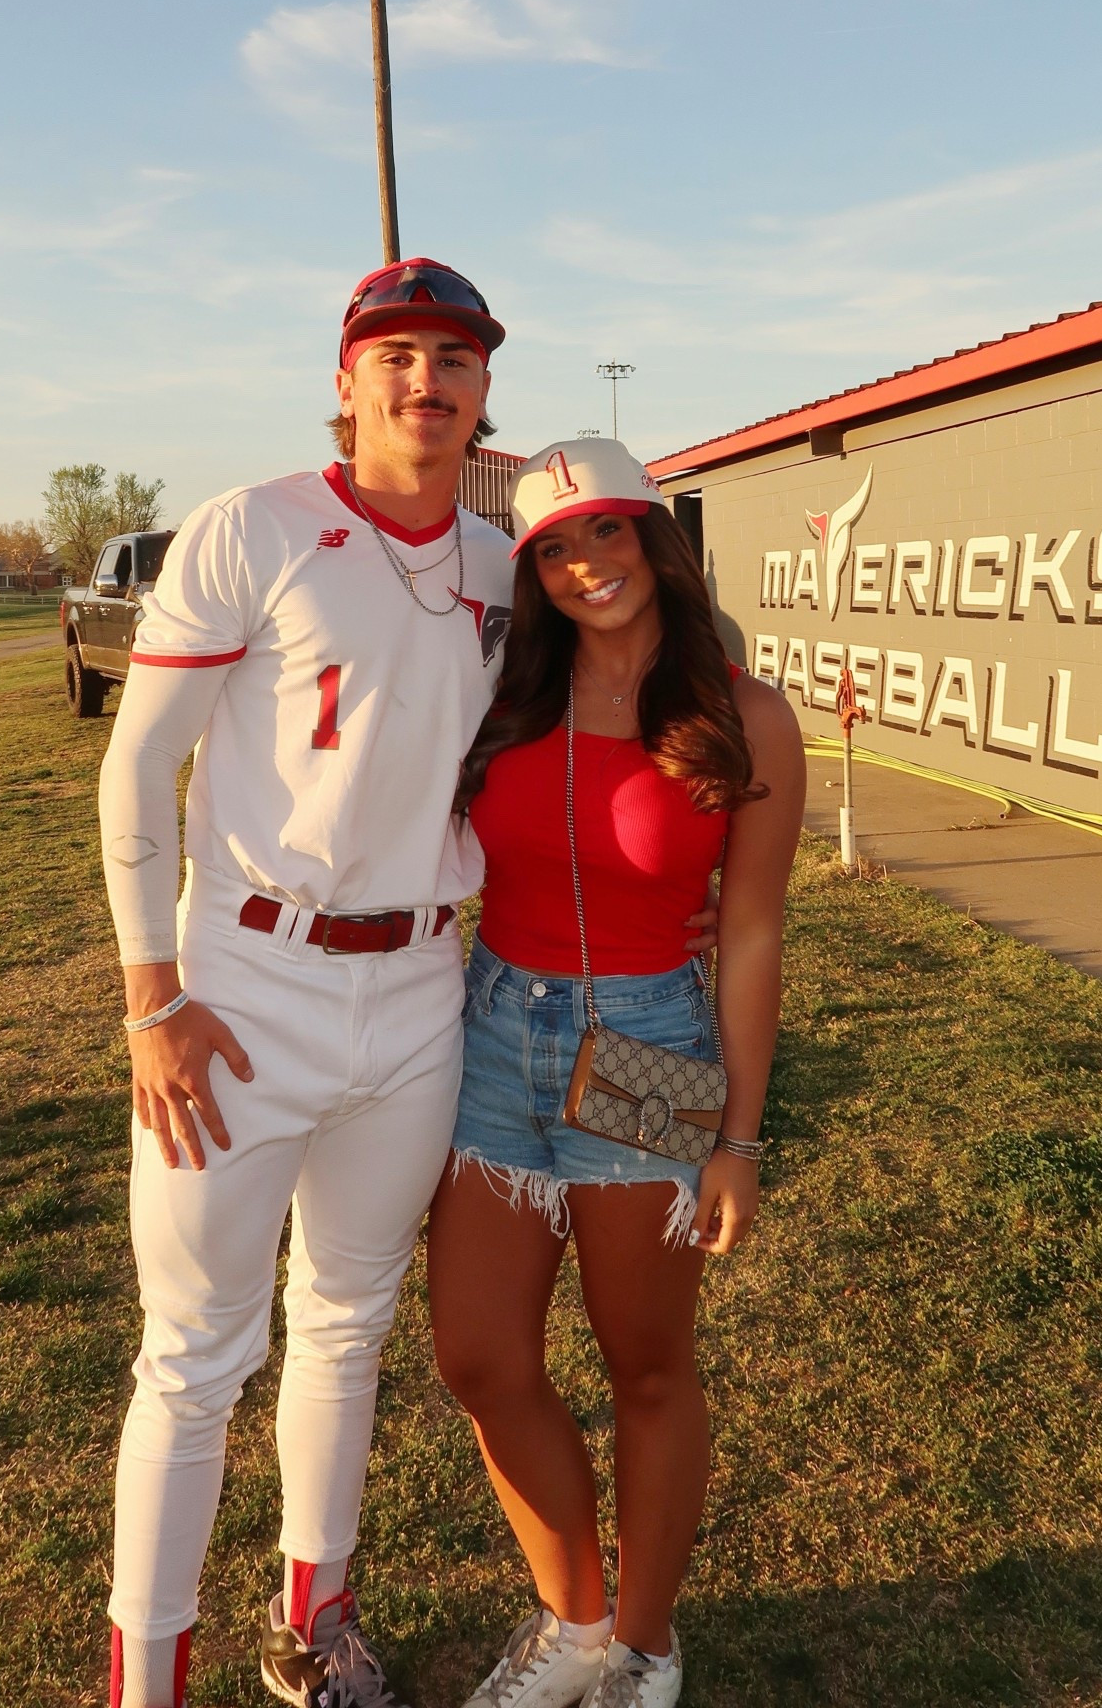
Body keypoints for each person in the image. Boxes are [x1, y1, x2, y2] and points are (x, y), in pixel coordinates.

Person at [96, 259, 518, 1708]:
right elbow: (138, 768)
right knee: (195, 1354)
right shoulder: (256, 524)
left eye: (452, 357)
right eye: (394, 354)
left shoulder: (498, 566)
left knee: (348, 1321)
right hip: (244, 982)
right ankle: (146, 1682)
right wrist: (153, 999)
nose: (424, 379)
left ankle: (314, 1625)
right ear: (346, 381)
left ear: (482, 389)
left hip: (416, 987)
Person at [428, 439, 806, 1708]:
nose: (586, 563)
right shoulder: (502, 690)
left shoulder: (745, 714)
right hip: (494, 1030)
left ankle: (643, 1645)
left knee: (645, 1360)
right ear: (529, 570)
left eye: (607, 530)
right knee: (478, 1355)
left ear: (655, 536)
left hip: (651, 1038)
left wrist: (737, 1136)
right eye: (554, 546)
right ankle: (575, 1621)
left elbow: (748, 932)